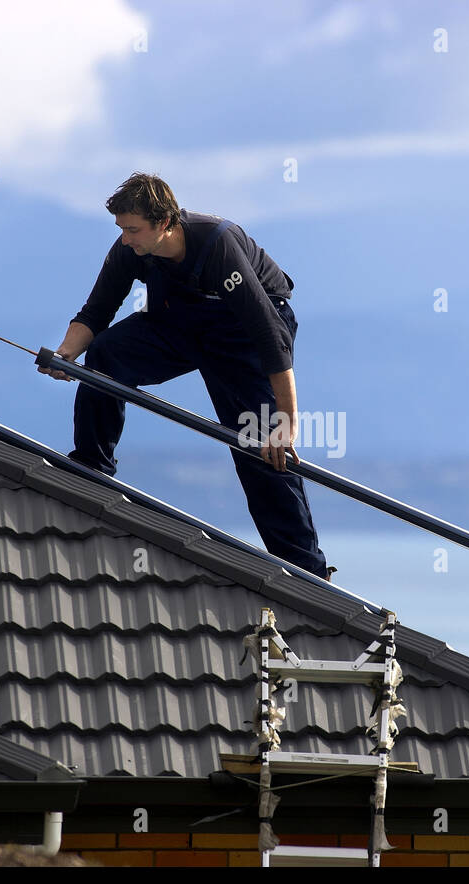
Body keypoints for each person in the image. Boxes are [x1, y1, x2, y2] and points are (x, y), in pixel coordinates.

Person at [41, 172, 334, 581]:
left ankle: (308, 572)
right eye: (121, 230)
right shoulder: (131, 249)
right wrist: (65, 354)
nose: (126, 239)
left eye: (133, 229)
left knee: (259, 446)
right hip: (179, 321)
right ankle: (92, 466)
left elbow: (270, 337)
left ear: (164, 223)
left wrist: (285, 424)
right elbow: (96, 310)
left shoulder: (217, 244)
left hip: (244, 336)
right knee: (106, 352)